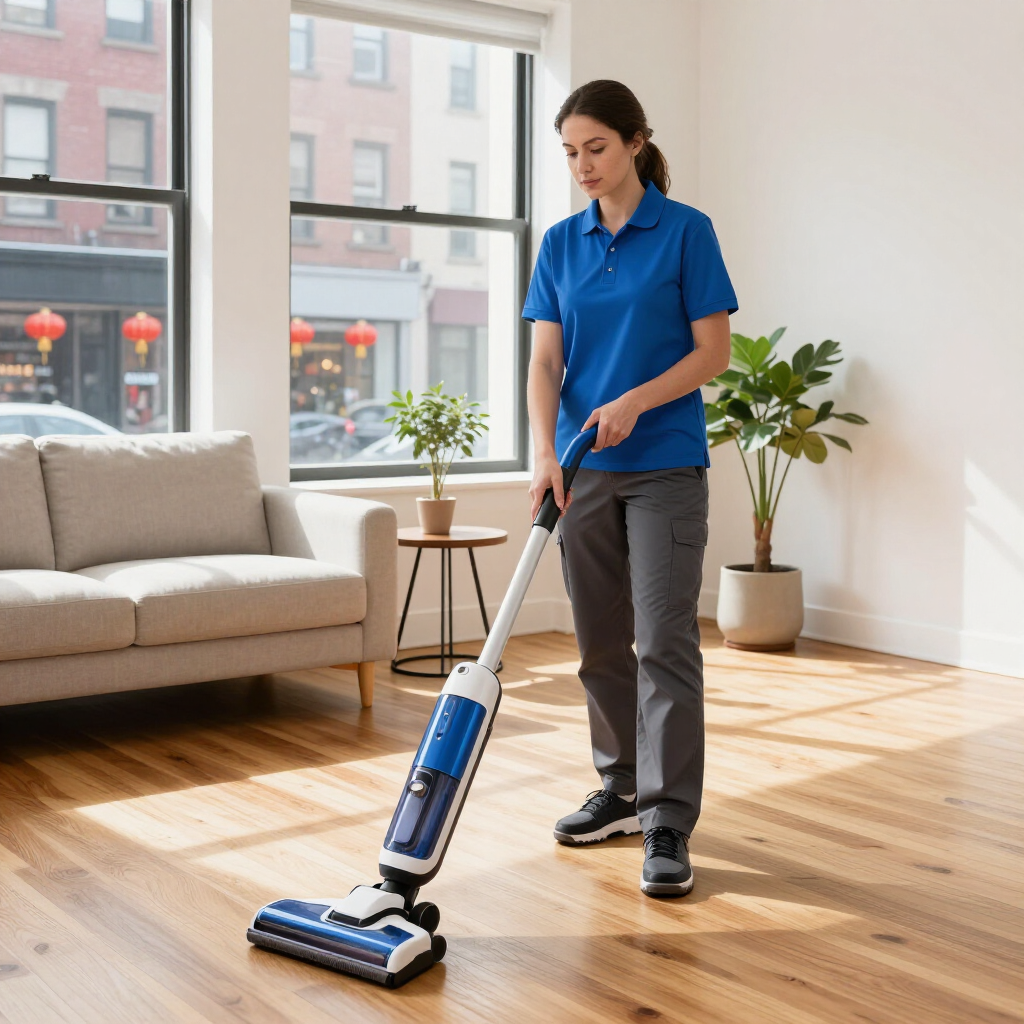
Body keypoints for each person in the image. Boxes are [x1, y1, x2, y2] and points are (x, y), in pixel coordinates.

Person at [522, 80, 737, 897]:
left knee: (665, 642)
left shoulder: (686, 233)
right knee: (599, 644)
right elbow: (547, 362)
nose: (582, 165)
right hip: (582, 472)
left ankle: (668, 819)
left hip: (666, 467)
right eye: (570, 152)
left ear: (637, 141)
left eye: (596, 148)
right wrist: (546, 453)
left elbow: (711, 353)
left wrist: (636, 401)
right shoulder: (561, 243)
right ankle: (618, 789)